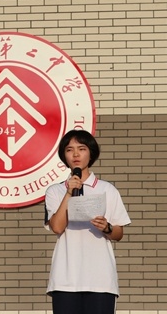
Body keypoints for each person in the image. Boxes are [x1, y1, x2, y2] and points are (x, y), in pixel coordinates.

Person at [44, 129, 131, 314]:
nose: (76, 154)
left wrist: (107, 227)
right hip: (65, 279)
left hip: (100, 280)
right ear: (64, 156)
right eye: (69, 150)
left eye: (81, 149)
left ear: (91, 153)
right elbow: (57, 227)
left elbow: (119, 234)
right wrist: (69, 192)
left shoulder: (108, 190)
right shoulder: (55, 191)